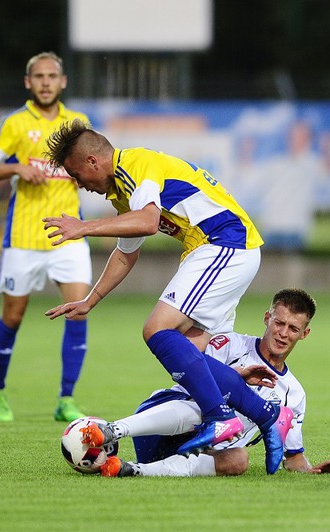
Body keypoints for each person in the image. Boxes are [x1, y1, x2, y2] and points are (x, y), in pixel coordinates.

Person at [43, 119, 264, 455]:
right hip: (221, 249)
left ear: (93, 162)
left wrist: (84, 227)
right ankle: (269, 416)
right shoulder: (123, 192)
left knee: (157, 330)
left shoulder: (135, 165)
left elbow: (147, 222)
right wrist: (91, 299)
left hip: (224, 243)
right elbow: (125, 254)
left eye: (76, 175)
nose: (78, 185)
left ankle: (220, 417)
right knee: (192, 354)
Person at [89, 288, 330, 477]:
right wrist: (234, 376)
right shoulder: (228, 344)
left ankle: (134, 470)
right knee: (208, 410)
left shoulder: (294, 393)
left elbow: (293, 457)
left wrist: (312, 471)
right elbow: (186, 373)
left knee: (239, 460)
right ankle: (114, 429)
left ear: (304, 334)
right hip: (161, 426)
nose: (283, 333)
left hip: (198, 452)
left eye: (293, 328)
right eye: (279, 323)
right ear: (267, 318)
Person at [0, 52, 92, 422]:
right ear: (28, 82)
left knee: (78, 311)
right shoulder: (15, 123)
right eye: (38, 76)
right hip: (24, 237)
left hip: (69, 235)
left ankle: (66, 399)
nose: (45, 82)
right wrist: (17, 167)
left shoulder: (78, 122)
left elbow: (94, 166)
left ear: (63, 81)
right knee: (13, 315)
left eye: (51, 76)